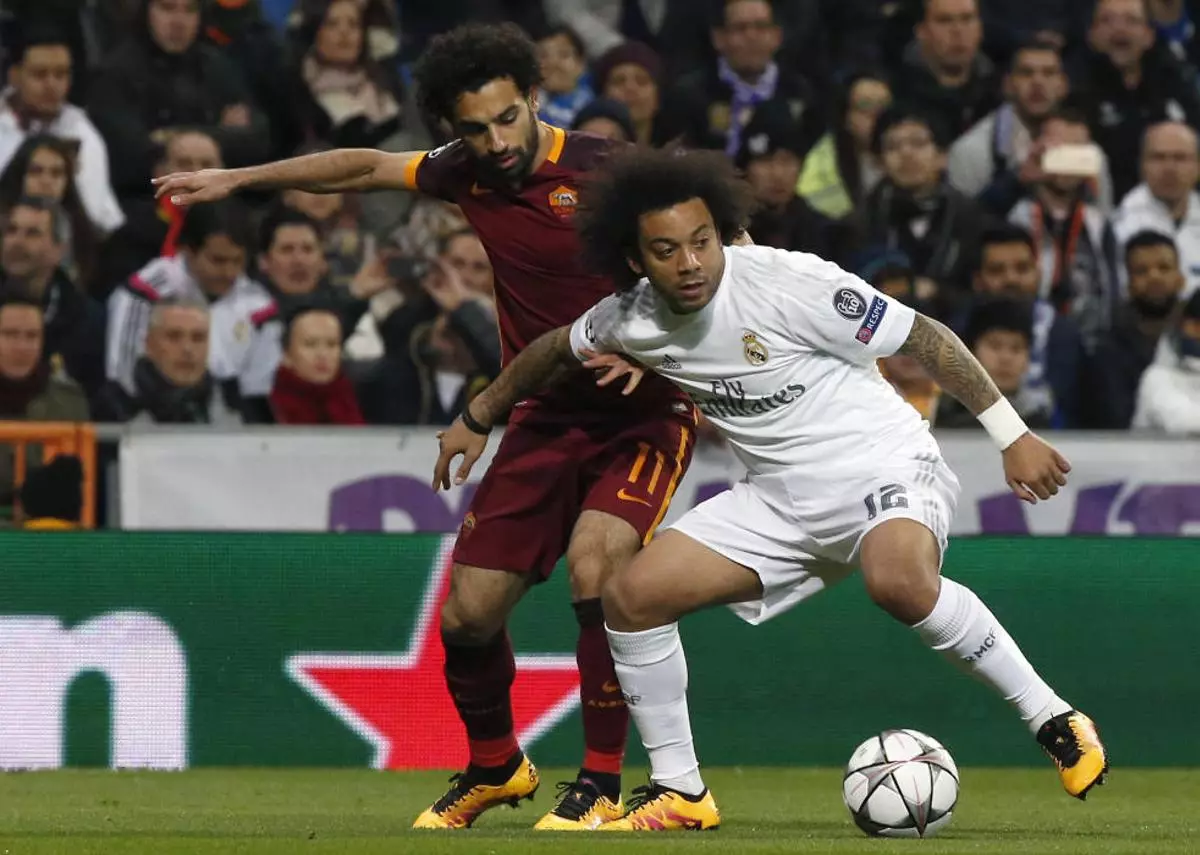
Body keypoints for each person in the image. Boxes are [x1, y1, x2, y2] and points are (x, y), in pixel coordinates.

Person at [433, 148, 1109, 831]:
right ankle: (680, 790)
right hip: (779, 499)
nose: (690, 263)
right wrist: (477, 416)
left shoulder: (792, 283)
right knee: (631, 598)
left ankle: (1053, 718)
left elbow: (925, 337)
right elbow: (553, 348)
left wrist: (1012, 435)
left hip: (882, 463)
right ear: (636, 260)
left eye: (701, 241)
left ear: (720, 233)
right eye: (666, 251)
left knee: (899, 583)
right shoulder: (628, 318)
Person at [153, 22, 700, 831]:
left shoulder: (608, 168)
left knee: (598, 568)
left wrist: (658, 348)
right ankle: (496, 765)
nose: (497, 141)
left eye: (507, 117)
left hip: (644, 414)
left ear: (535, 98)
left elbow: (721, 252)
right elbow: (364, 167)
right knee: (467, 616)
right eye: (475, 129)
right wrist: (239, 178)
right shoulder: (464, 171)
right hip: (542, 412)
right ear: (452, 128)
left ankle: (600, 781)